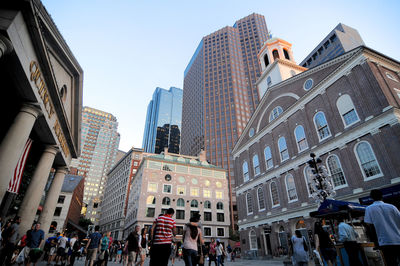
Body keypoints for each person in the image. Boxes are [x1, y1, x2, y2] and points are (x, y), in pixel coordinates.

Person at [364, 189, 400, 266]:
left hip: (384, 241)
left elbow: (370, 226)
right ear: (382, 196)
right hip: (398, 239)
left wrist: (375, 242)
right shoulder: (392, 207)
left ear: (371, 197)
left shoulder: (369, 209)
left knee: (391, 262)